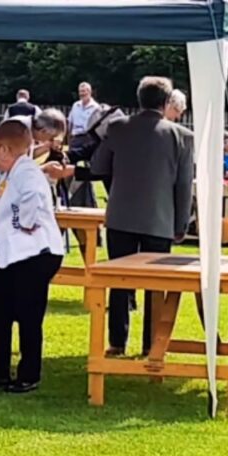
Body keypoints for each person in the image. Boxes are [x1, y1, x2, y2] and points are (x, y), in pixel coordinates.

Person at [92, 76, 194, 357]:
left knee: (119, 283)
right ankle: (151, 344)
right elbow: (184, 186)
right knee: (155, 286)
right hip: (159, 219)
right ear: (165, 102)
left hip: (121, 216)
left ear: (139, 99)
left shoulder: (117, 128)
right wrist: (181, 224)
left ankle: (116, 342)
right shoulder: (182, 137)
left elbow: (98, 165)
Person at [0, 118, 64, 394]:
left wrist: (26, 221)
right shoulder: (12, 174)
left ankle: (29, 374)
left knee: (28, 314)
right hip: (15, 256)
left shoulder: (27, 172)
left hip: (34, 254)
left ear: (6, 149)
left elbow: (32, 198)